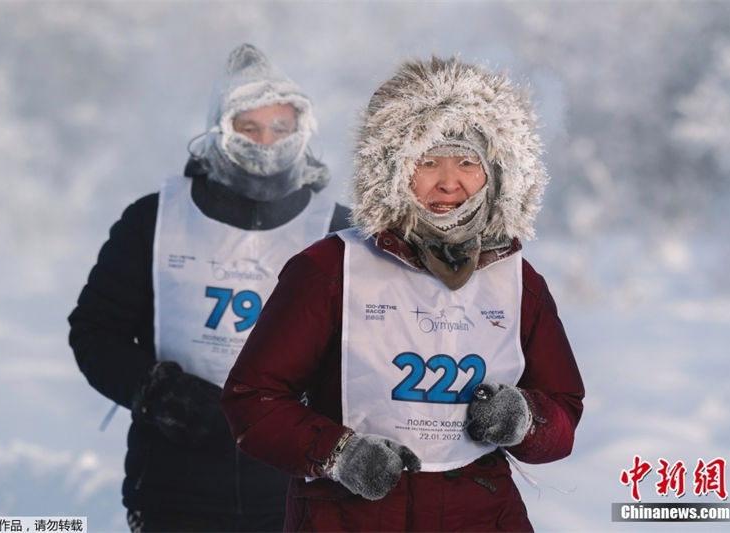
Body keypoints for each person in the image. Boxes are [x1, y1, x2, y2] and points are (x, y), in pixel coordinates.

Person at [220, 54, 585, 532]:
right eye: (428, 162)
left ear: (496, 171)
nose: (449, 182)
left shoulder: (520, 281)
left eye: (468, 162)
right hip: (347, 518)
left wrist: (524, 420)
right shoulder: (329, 269)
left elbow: (563, 410)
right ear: (392, 168)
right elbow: (254, 399)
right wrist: (339, 455)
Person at [68, 43, 349, 532]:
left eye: (280, 129)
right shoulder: (154, 220)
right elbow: (94, 332)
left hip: (301, 495)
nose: (266, 144)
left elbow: (382, 349)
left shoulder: (340, 233)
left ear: (303, 133)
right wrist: (155, 391)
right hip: (174, 492)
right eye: (249, 128)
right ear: (220, 129)